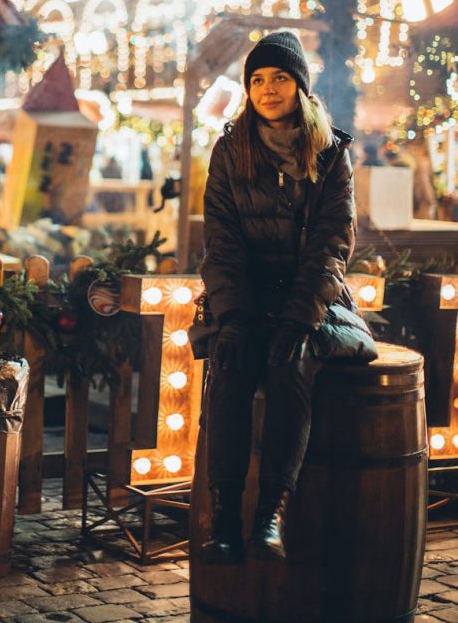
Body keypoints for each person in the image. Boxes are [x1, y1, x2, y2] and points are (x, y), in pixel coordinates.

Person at [200, 31, 362, 565]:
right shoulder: (229, 150)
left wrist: (299, 319)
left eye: (280, 78)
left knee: (292, 369)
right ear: (248, 89)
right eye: (258, 80)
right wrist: (236, 316)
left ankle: (270, 514)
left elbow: (332, 244)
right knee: (229, 369)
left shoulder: (330, 153)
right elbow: (220, 241)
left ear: (299, 86)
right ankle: (225, 518)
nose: (268, 89)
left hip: (311, 299)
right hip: (246, 297)